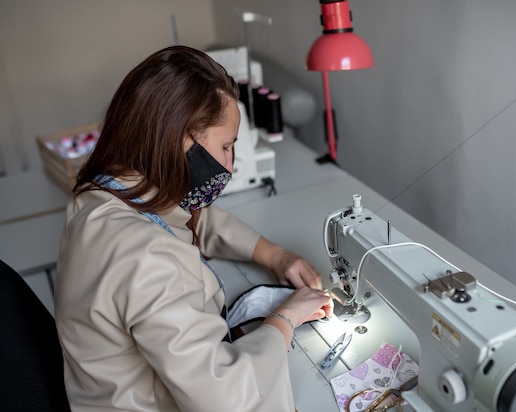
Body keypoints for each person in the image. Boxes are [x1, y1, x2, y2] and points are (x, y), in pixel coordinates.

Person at [54, 45, 333, 412]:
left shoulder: (105, 191)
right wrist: (285, 317)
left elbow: (187, 215)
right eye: (227, 146)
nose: (232, 163)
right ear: (183, 140)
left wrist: (274, 254)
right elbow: (224, 397)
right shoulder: (145, 255)